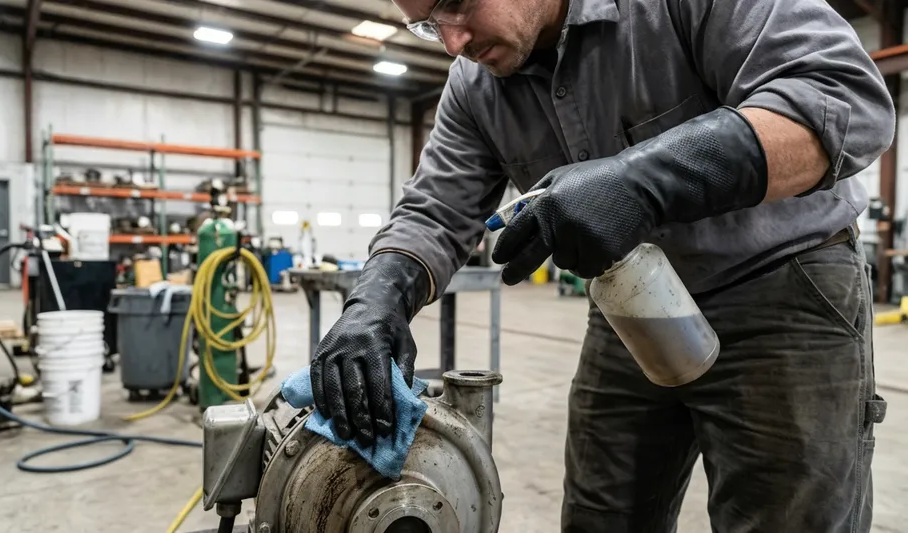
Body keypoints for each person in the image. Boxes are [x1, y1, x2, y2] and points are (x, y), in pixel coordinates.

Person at [309, 0, 895, 530]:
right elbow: (436, 209)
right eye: (428, 24)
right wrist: (376, 301)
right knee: (602, 517)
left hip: (781, 290)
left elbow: (844, 101)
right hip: (627, 308)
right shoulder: (473, 86)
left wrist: (641, 184)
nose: (452, 42)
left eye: (457, 5)